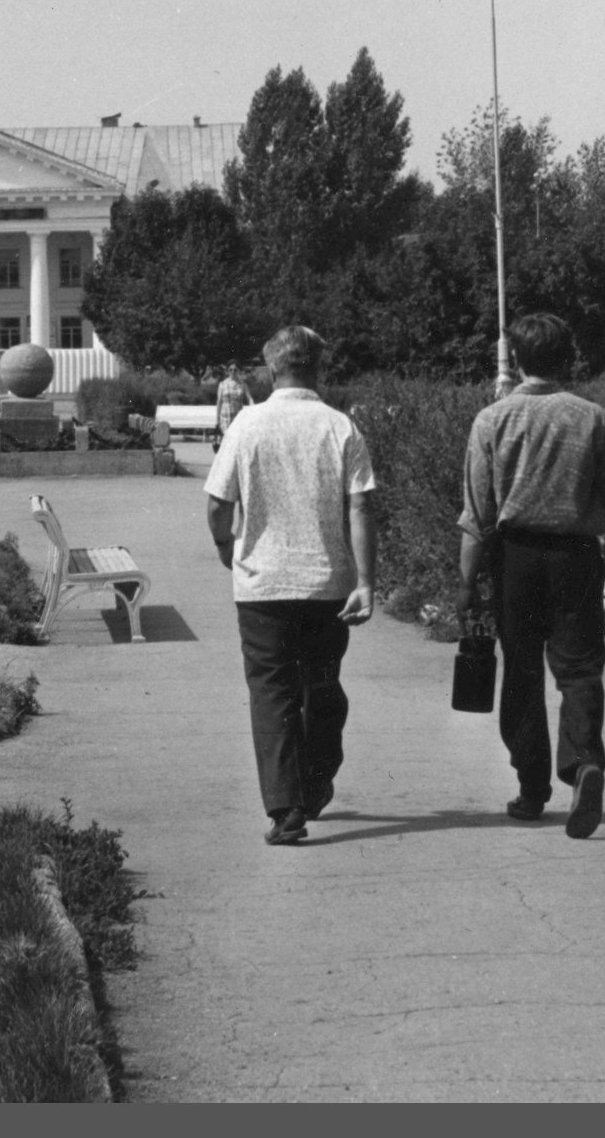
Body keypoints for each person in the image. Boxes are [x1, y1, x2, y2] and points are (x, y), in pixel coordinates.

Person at [459, 312, 605, 839]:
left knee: (522, 671)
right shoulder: (593, 419)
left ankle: (531, 788)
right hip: (576, 557)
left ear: (516, 360)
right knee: (579, 668)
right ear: (568, 359)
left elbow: (476, 513)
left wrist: (466, 583)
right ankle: (584, 763)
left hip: (514, 558)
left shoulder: (492, 420)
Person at [203, 326, 377, 846]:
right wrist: (366, 581)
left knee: (272, 693)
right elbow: (362, 505)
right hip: (328, 586)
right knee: (322, 686)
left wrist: (222, 545)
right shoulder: (340, 427)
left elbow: (217, 503)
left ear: (271, 367)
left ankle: (285, 810)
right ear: (318, 367)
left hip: (262, 585)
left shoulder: (248, 425)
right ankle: (318, 777)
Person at [215, 363, 250, 447]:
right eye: (230, 369)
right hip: (225, 418)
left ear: (238, 371)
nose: (233, 371)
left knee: (237, 442)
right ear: (227, 371)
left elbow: (249, 398)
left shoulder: (242, 385)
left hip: (238, 417)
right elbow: (219, 402)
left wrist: (254, 407)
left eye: (235, 370)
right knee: (226, 442)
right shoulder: (222, 384)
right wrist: (217, 420)